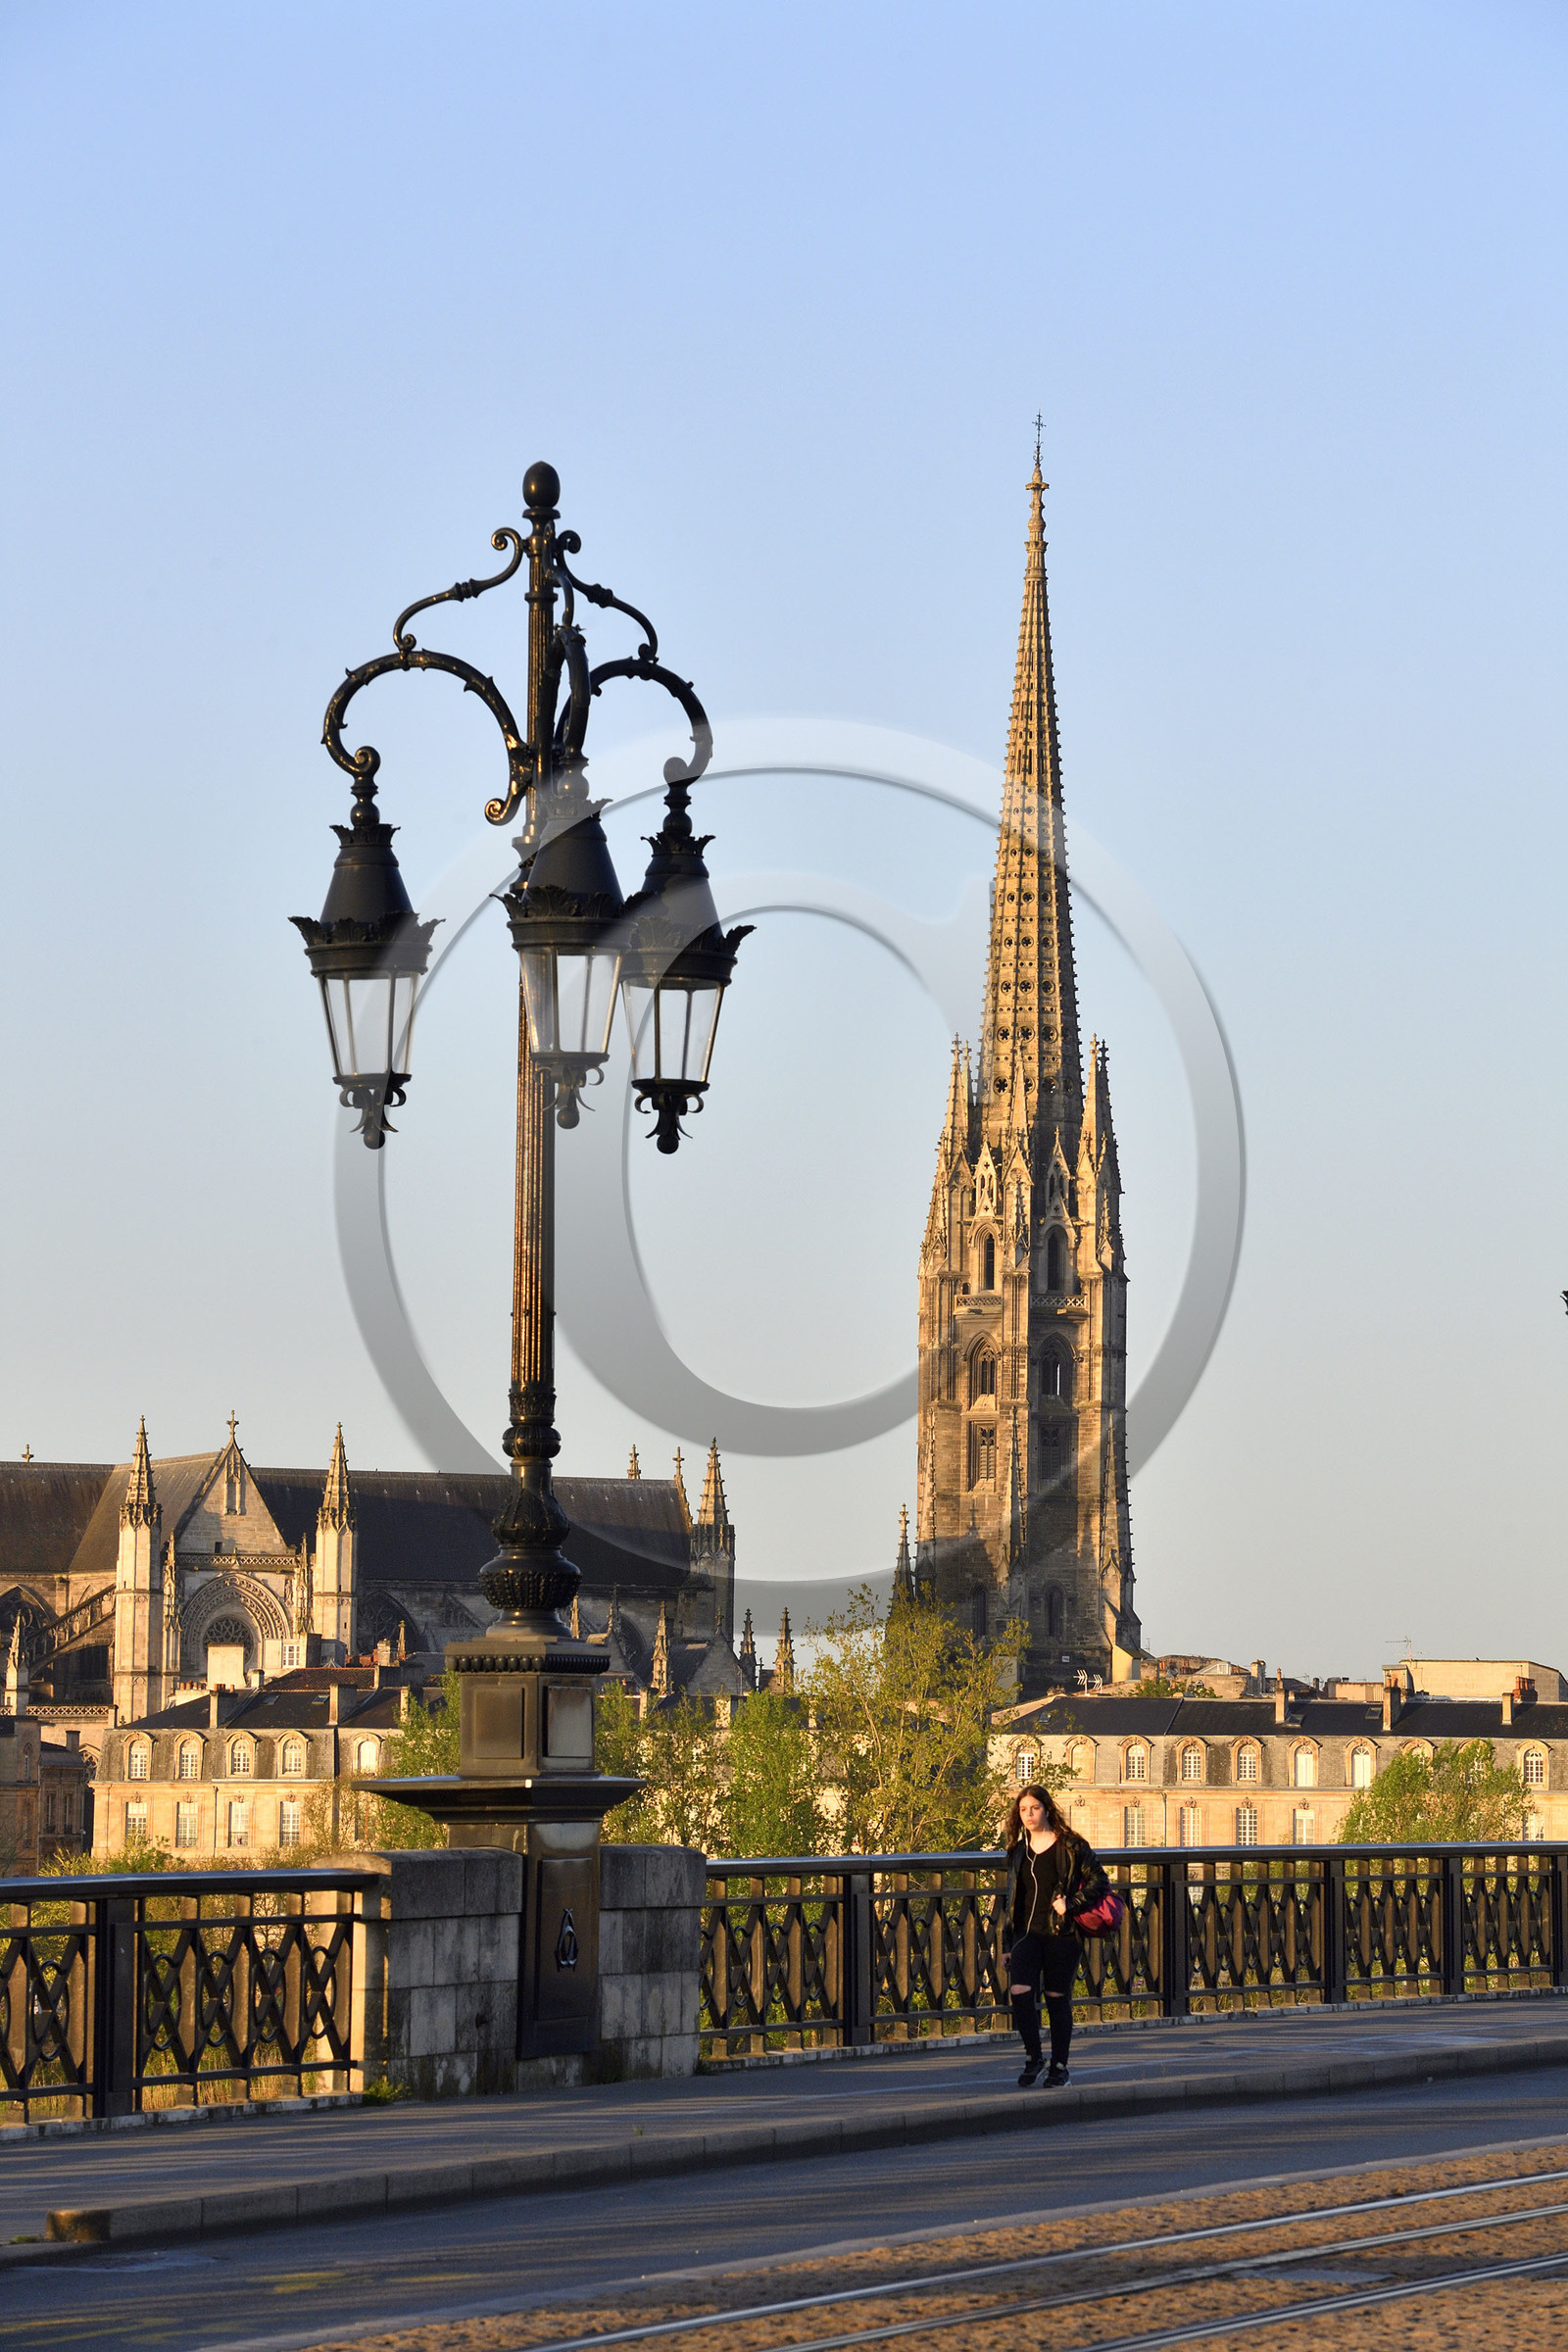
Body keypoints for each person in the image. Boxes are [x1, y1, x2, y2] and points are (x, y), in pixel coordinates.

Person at [1004, 1782, 1110, 2087]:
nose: (1029, 1814)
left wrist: (1071, 1904)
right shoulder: (1017, 1852)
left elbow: (1099, 1880)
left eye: (1034, 1808)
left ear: (1047, 1809)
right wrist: (1006, 1942)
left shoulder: (1071, 1846)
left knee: (1056, 1997)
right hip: (1026, 1935)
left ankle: (1060, 2066)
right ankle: (1034, 2057)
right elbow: (1012, 1899)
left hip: (1061, 1934)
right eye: (1023, 1810)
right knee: (1020, 1992)